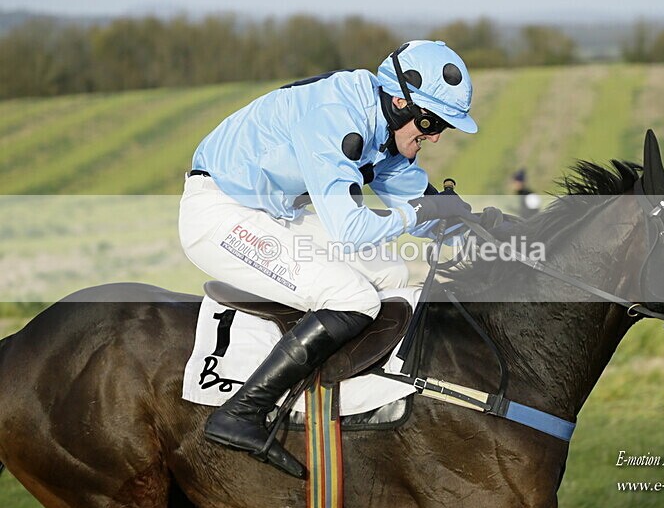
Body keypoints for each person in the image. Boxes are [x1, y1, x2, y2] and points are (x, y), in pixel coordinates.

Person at [178, 40, 478, 478]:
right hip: (219, 214)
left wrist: (485, 226)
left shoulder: (383, 124)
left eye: (443, 127)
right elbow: (350, 229)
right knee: (351, 296)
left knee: (391, 269)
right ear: (400, 102)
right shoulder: (337, 119)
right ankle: (241, 412)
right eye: (432, 122)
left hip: (272, 212)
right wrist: (422, 212)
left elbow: (423, 205)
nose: (434, 136)